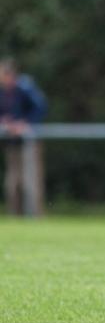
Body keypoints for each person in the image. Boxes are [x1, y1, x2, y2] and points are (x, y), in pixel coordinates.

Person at [1, 58, 48, 216]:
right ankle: (15, 215)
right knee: (12, 181)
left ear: (10, 75)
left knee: (31, 180)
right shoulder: (3, 92)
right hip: (12, 142)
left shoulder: (25, 88)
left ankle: (35, 215)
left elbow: (41, 107)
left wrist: (25, 123)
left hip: (29, 142)